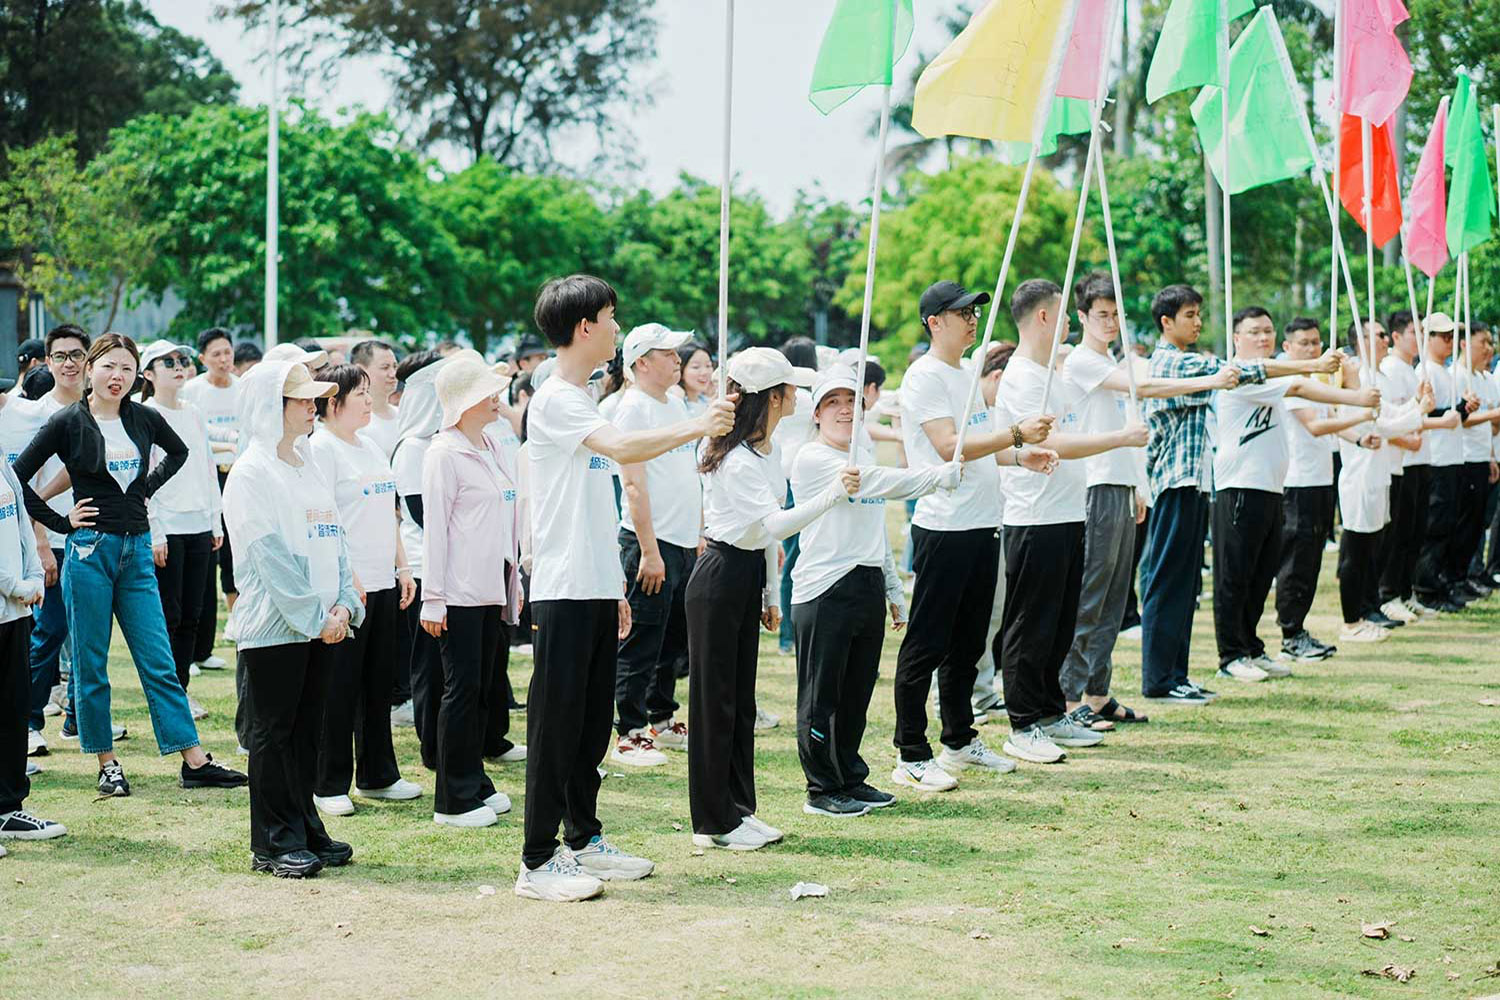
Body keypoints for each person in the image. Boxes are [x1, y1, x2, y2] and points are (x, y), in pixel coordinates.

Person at [518, 274, 732, 901]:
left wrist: (613, 586)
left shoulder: (581, 396)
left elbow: (597, 496)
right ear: (585, 327)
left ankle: (583, 838)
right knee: (556, 727)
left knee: (589, 727)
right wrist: (698, 426)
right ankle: (536, 859)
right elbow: (623, 448)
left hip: (591, 584)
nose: (615, 327)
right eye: (610, 318)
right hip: (559, 588)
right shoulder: (557, 398)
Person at [14, 333, 247, 797]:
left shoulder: (144, 417)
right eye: (108, 366)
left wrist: (146, 489)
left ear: (135, 374)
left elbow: (180, 453)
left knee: (158, 659)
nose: (116, 376)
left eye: (126, 367)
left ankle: (193, 760)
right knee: (91, 662)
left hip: (137, 550)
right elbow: (16, 477)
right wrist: (61, 520)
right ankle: (107, 763)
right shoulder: (67, 422)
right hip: (87, 553)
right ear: (90, 370)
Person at [689, 347, 855, 847]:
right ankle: (713, 821)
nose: (798, 398)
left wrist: (766, 590)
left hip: (743, 573)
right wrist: (831, 495)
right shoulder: (735, 459)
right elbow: (774, 523)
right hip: (718, 578)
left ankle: (739, 808)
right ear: (775, 397)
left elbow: (762, 538)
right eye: (791, 390)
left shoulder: (769, 450)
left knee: (741, 701)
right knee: (714, 701)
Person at [1138, 288, 1336, 704]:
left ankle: (1176, 674)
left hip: (1194, 482)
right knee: (1168, 582)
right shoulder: (1173, 360)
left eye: (1198, 314)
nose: (1197, 322)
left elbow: (1239, 372)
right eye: (1189, 315)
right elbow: (1239, 372)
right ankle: (1160, 678)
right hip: (1174, 483)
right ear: (1166, 323)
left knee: (1185, 586)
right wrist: (1314, 364)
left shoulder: (1191, 359)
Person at [893, 281, 1055, 790]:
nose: (972, 319)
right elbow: (947, 447)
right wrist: (1016, 436)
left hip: (983, 524)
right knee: (927, 643)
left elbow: (979, 445)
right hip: (944, 528)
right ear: (933, 321)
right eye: (961, 312)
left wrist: (1018, 455)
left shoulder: (965, 374)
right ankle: (910, 751)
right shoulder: (923, 377)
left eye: (974, 311)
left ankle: (959, 739)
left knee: (969, 645)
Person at [1060, 273, 1236, 728]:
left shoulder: (1117, 363)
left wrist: (1139, 486)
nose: (1111, 323)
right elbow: (1148, 389)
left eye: (1117, 315)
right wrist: (1213, 379)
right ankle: (1067, 698)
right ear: (1082, 317)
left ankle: (1098, 693)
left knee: (1117, 601)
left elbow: (1134, 425)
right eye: (1102, 315)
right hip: (1095, 486)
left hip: (1123, 485)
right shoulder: (1083, 362)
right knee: (1092, 596)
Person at [791, 366, 957, 816]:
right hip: (824, 588)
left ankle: (850, 776)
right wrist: (936, 476)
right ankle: (822, 789)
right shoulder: (814, 457)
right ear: (818, 413)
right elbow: (878, 481)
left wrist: (892, 590)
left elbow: (877, 533)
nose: (845, 410)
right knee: (821, 696)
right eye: (833, 403)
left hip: (864, 583)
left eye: (852, 402)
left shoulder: (859, 451)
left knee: (857, 692)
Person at [994, 279, 1146, 763]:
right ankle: (1021, 723)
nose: (1070, 322)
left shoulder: (1053, 376)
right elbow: (1053, 444)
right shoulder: (1021, 376)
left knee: (1060, 622)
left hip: (1066, 510)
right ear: (1043, 318)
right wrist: (1119, 438)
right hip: (1033, 516)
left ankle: (1050, 711)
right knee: (1031, 623)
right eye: (1064, 314)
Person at [225, 359, 362, 878]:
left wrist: (345, 603)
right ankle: (274, 841)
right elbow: (268, 557)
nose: (313, 406)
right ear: (270, 407)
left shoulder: (306, 463)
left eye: (312, 399)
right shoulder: (251, 472)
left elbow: (335, 537)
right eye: (301, 399)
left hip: (323, 620)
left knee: (308, 731)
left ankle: (304, 826)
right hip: (277, 625)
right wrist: (314, 615)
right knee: (273, 732)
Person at [1209, 307, 1370, 682]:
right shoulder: (1239, 377)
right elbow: (1299, 386)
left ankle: (1251, 647)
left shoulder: (1271, 372)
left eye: (1267, 330)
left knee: (1261, 574)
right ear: (1237, 338)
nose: (1262, 338)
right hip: (1240, 488)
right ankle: (1230, 655)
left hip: (1270, 487)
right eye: (1254, 332)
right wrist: (1353, 395)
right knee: (1235, 576)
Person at [306, 365, 423, 818]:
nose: (370, 400)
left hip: (383, 583)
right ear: (332, 402)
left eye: (370, 393)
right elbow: (324, 520)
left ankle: (378, 774)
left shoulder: (372, 445)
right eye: (361, 393)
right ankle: (327, 782)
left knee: (378, 685)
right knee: (339, 687)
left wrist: (403, 566)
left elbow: (390, 512)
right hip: (347, 589)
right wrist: (347, 579)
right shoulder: (322, 449)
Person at [419, 355, 524, 828]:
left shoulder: (489, 445)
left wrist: (513, 580)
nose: (497, 396)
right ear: (466, 402)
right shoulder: (443, 453)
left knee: (482, 689)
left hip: (490, 587)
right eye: (488, 390)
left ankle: (474, 779)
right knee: (460, 691)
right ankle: (452, 798)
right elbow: (435, 531)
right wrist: (433, 596)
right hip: (458, 592)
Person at [609, 324, 699, 768]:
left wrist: (697, 533)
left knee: (672, 638)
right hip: (651, 542)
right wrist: (649, 551)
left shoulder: (677, 401)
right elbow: (634, 486)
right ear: (642, 362)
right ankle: (628, 731)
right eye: (669, 353)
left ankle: (662, 717)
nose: (677, 358)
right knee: (642, 637)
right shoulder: (632, 410)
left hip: (682, 540)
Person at [8, 325, 90, 758]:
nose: (69, 364)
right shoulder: (34, 415)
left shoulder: (98, 408)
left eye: (77, 355)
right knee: (51, 630)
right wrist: (41, 543)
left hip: (95, 539)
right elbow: (25, 484)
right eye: (60, 356)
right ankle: (29, 719)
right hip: (52, 539)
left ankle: (80, 716)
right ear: (48, 362)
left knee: (86, 634)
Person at [1273, 319, 1372, 660]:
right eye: (1304, 343)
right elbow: (1315, 427)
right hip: (1298, 481)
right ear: (1288, 347)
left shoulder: (1315, 381)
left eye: (1316, 343)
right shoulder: (1289, 380)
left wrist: (1358, 435)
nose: (1312, 349)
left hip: (1320, 478)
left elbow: (1331, 423)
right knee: (1297, 561)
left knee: (1312, 559)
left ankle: (1299, 628)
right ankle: (1290, 632)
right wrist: (1358, 414)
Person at [140, 340, 223, 721]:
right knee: (168, 616)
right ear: (149, 374)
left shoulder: (194, 413)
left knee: (194, 614)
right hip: (167, 528)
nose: (178, 367)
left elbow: (208, 468)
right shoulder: (144, 414)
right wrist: (154, 530)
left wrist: (214, 520)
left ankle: (182, 693)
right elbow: (142, 479)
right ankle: (168, 698)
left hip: (198, 525)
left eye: (182, 360)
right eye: (168, 362)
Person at [1335, 323, 1428, 643]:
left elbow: (1389, 415)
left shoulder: (1368, 388)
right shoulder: (1348, 395)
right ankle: (1352, 618)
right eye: (1378, 335)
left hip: (1379, 476)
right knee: (1356, 550)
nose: (1385, 339)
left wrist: (1418, 405)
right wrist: (1420, 411)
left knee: (1374, 548)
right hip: (1359, 478)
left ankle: (1369, 606)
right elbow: (1386, 427)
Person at [0, 451, 65, 846]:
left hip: (14, 615)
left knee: (12, 710)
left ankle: (8, 809)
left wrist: (34, 575)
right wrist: (16, 584)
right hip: (12, 597)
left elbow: (22, 521)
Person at [390, 350, 450, 744]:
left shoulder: (440, 442)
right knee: (427, 667)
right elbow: (420, 513)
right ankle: (431, 744)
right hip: (423, 567)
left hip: (445, 566)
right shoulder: (413, 446)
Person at [1379, 312, 1447, 618]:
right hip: (1403, 463)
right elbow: (1388, 421)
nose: (1419, 338)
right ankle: (1388, 593)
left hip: (1421, 460)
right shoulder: (1391, 369)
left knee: (1415, 532)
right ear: (1396, 337)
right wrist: (1406, 440)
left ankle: (1406, 592)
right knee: (1399, 533)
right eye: (1413, 332)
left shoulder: (1413, 370)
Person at [181, 328, 240, 673]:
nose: (224, 359)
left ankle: (207, 648)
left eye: (227, 352)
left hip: (237, 477)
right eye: (216, 353)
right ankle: (192, 652)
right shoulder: (193, 392)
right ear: (202, 359)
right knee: (205, 566)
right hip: (204, 480)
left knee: (234, 554)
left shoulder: (243, 389)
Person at [1412, 313, 1473, 613]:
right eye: (1443, 336)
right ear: (1428, 337)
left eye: (1452, 336)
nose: (1449, 341)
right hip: (1434, 458)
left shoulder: (1447, 372)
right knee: (1434, 527)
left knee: (1448, 525)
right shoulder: (1423, 372)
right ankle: (1424, 586)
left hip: (1452, 457)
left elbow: (1452, 418)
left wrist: (1463, 409)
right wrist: (1450, 414)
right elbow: (1420, 417)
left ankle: (1439, 581)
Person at [351, 339, 401, 458]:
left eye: (395, 366)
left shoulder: (403, 415)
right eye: (385, 367)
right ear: (361, 370)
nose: (393, 374)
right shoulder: (354, 422)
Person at [676, 341, 715, 416]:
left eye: (708, 365)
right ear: (681, 369)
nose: (704, 372)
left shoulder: (709, 403)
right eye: (696, 367)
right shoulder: (676, 401)